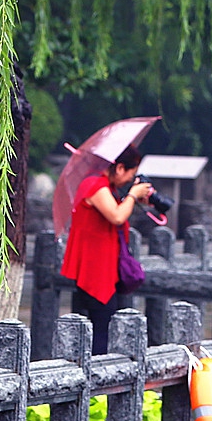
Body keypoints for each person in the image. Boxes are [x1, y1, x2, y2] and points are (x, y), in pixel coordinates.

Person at [60, 147, 154, 353]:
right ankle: (96, 372)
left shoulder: (106, 187)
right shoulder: (95, 185)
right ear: (119, 168)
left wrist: (135, 198)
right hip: (94, 270)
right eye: (131, 173)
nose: (131, 179)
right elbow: (117, 216)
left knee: (104, 323)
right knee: (102, 325)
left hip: (104, 267)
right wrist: (131, 195)